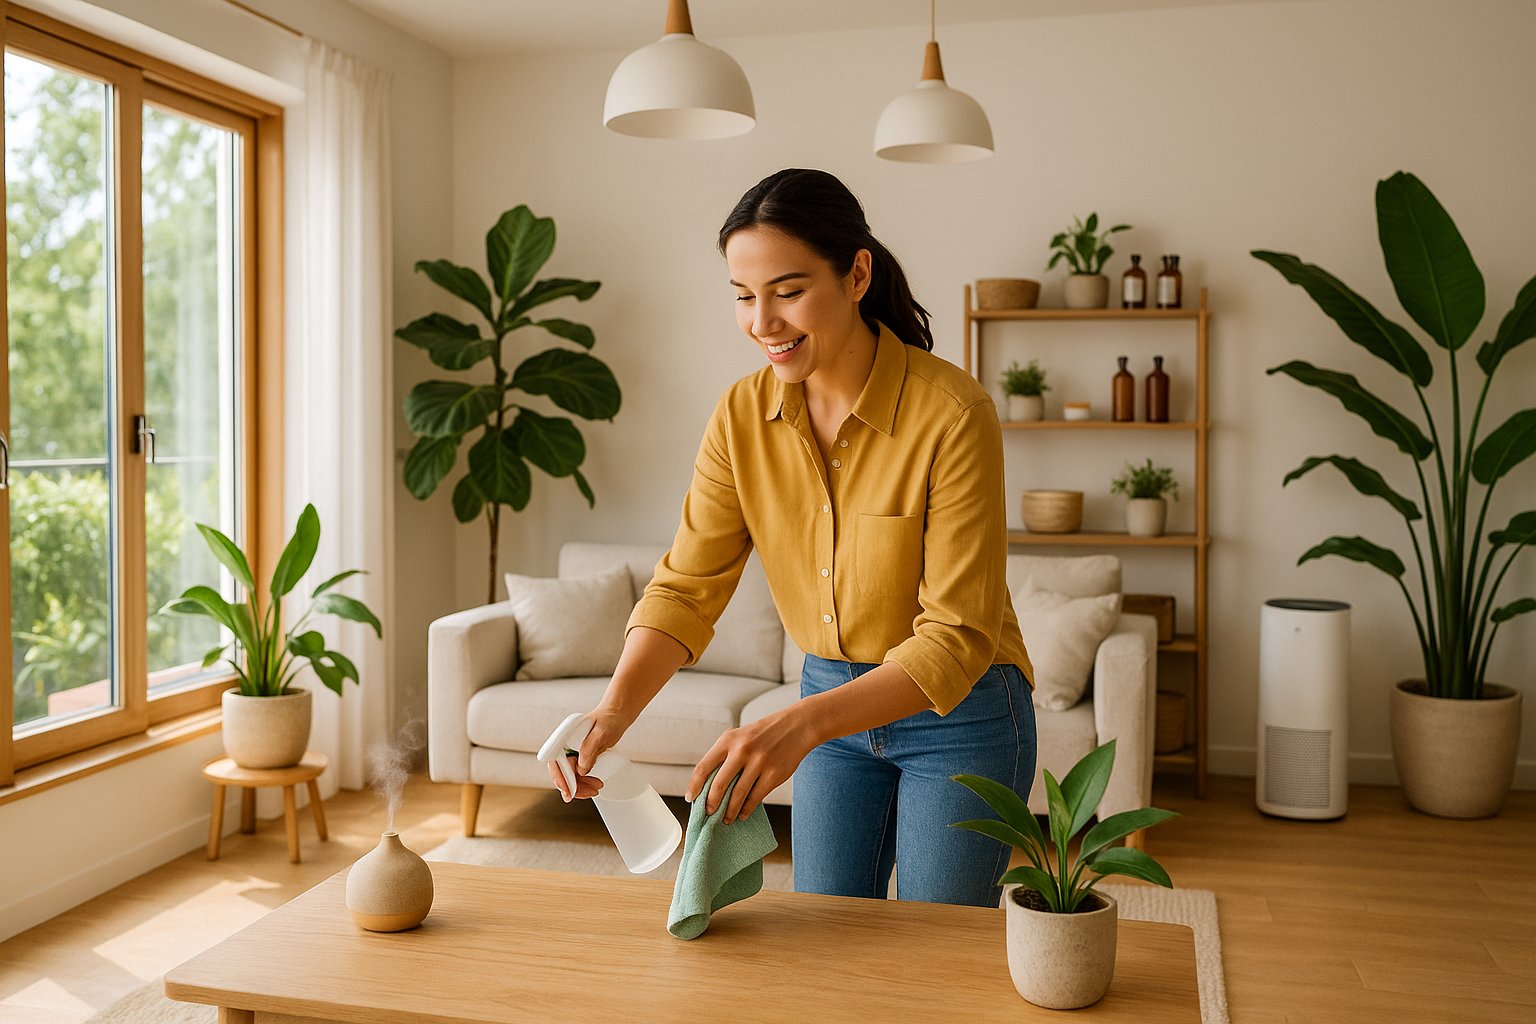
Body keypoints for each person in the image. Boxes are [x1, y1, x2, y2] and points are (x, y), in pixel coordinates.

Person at [549, 167, 1035, 907]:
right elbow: (687, 585)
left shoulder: (953, 413)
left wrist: (794, 727)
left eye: (788, 290)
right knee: (823, 938)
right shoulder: (740, 418)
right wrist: (611, 713)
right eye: (744, 297)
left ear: (857, 275)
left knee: (934, 958)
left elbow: (957, 637)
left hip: (958, 715)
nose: (763, 322)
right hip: (829, 701)